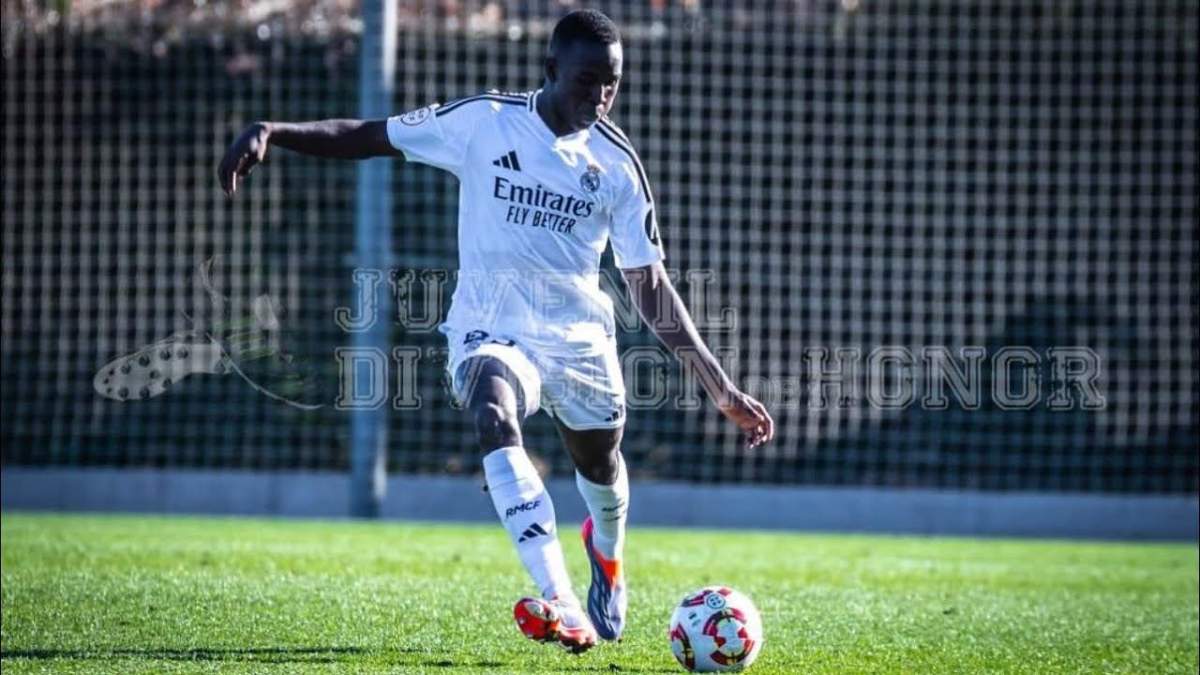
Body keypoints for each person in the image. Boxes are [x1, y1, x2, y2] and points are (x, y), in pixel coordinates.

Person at [218, 8, 774, 654]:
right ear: (551, 69)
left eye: (612, 83)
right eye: (588, 79)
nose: (601, 95)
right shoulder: (482, 123)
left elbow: (649, 286)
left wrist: (720, 385)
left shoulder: (617, 165)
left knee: (600, 462)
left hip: (579, 343)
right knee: (491, 410)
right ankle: (561, 597)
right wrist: (273, 131)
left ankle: (607, 550)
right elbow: (369, 135)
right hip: (490, 329)